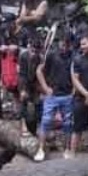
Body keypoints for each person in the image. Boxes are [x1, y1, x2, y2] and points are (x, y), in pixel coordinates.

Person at [34, 32, 75, 161]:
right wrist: (45, 88)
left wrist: (74, 91)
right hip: (52, 94)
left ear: (71, 45)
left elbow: (75, 75)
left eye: (67, 44)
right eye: (62, 43)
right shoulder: (51, 54)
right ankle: (40, 148)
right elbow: (39, 70)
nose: (64, 47)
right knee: (45, 121)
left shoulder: (73, 56)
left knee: (68, 123)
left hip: (67, 94)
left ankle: (67, 148)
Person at [16, 31, 45, 136]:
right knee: (23, 102)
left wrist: (41, 88)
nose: (33, 53)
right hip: (24, 81)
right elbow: (21, 75)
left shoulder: (41, 58)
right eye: (32, 50)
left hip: (35, 82)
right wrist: (23, 89)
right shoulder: (23, 56)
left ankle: (38, 127)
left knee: (38, 103)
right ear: (29, 47)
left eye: (36, 51)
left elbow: (42, 74)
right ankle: (23, 126)